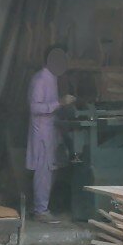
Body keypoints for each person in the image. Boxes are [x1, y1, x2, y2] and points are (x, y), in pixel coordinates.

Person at [26, 46, 76, 224]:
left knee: (51, 170)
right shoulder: (41, 79)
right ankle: (41, 210)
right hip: (41, 132)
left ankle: (40, 206)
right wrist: (59, 102)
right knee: (43, 171)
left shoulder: (52, 78)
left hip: (50, 131)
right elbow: (35, 107)